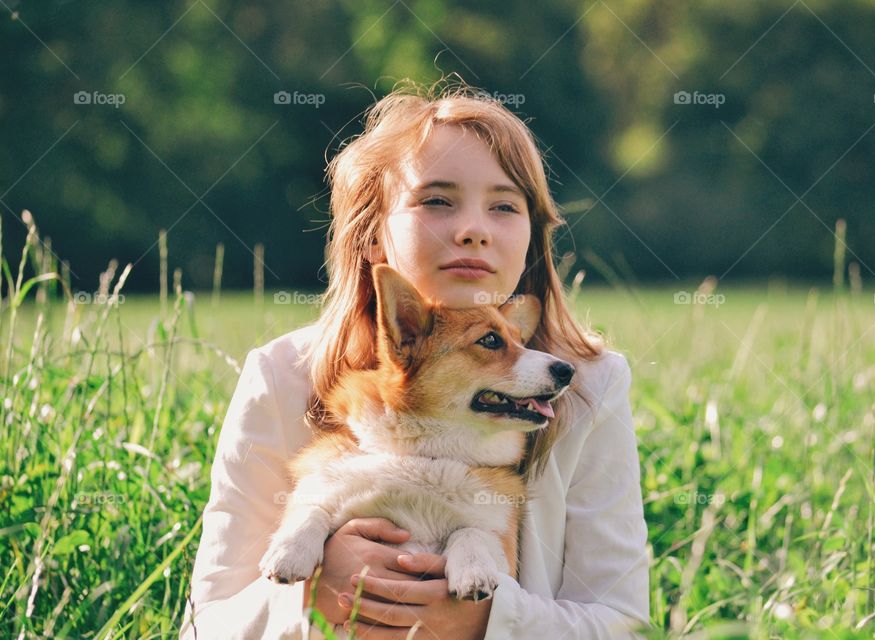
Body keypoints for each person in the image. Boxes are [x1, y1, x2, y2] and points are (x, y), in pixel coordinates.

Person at [178, 79, 650, 639]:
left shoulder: (589, 385)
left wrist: (485, 620)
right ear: (373, 235)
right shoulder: (281, 376)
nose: (473, 230)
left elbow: (620, 623)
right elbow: (207, 626)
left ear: (529, 237)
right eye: (437, 201)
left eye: (504, 206)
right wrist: (312, 595)